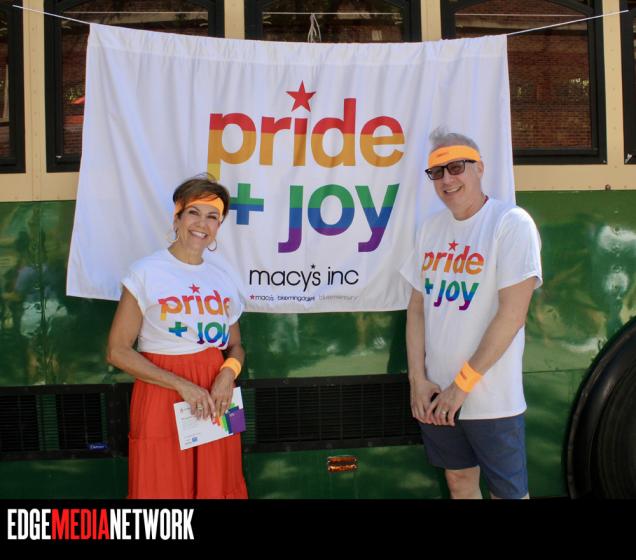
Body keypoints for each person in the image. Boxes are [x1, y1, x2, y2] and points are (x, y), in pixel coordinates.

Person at [400, 129, 542, 499]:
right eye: (437, 172)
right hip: (437, 393)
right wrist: (418, 380)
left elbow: (512, 316)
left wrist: (460, 387)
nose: (447, 179)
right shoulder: (430, 228)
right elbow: (417, 309)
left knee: (507, 494)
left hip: (491, 399)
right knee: (459, 481)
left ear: (479, 168)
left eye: (456, 167)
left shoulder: (511, 223)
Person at [107, 174, 248, 499]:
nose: (202, 224)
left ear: (219, 226)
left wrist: (227, 375)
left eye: (212, 216)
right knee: (163, 486)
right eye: (193, 213)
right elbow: (117, 351)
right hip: (162, 393)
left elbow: (236, 346)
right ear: (177, 218)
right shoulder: (145, 272)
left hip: (217, 396)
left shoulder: (223, 277)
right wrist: (182, 385)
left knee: (221, 480)